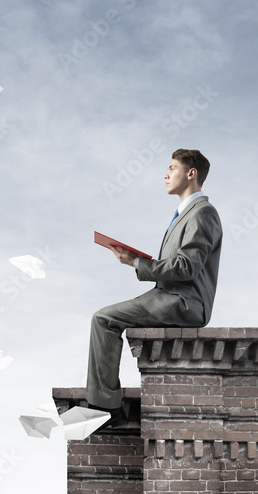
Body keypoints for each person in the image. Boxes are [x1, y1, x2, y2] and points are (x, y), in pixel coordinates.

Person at [87, 149, 222, 429]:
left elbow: (186, 267)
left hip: (183, 301)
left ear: (191, 173)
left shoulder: (203, 213)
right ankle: (107, 404)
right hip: (167, 296)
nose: (165, 174)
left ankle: (106, 408)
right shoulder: (185, 214)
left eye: (172, 168)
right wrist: (137, 260)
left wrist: (137, 262)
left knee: (103, 319)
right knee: (104, 317)